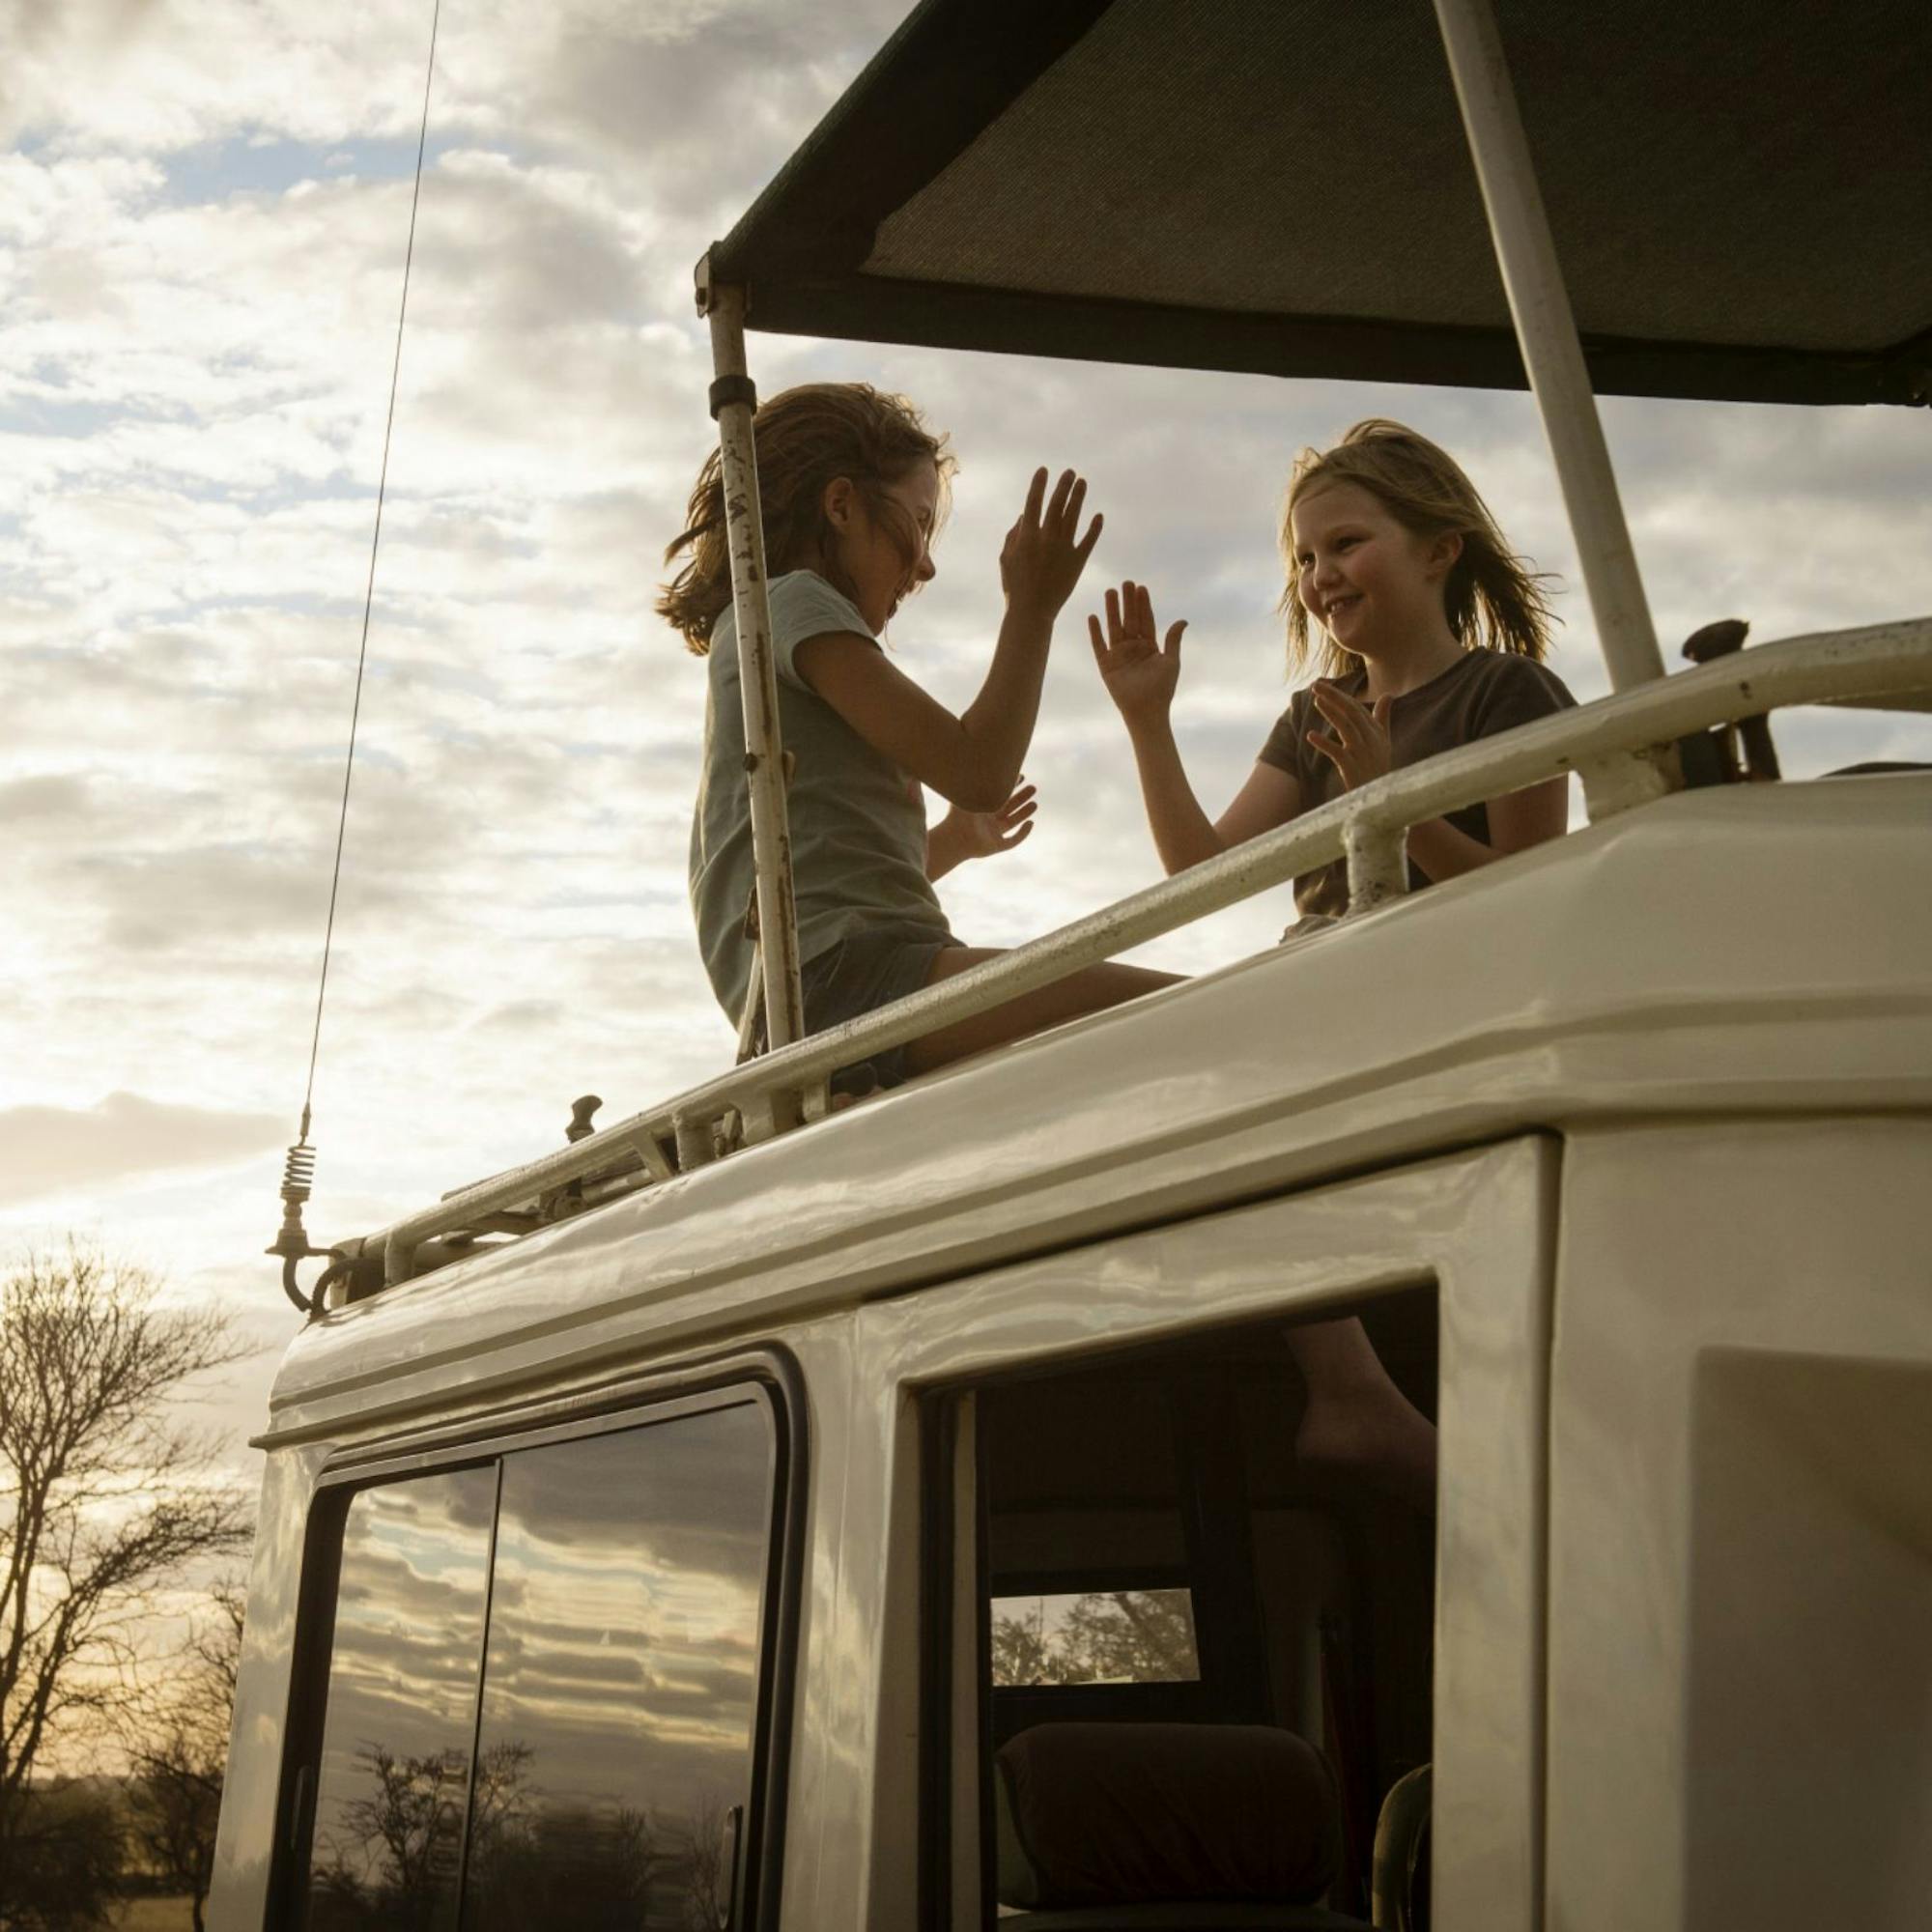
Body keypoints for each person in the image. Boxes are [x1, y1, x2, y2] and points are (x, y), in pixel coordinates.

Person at [1089, 417, 1578, 1510]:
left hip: (1427, 988)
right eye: (1304, 559)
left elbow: (1526, 898)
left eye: (1345, 544)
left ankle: (1352, 1390)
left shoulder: (1508, 695)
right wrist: (1145, 722)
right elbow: (1200, 873)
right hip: (1314, 979)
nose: (1318, 577)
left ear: (1437, 548)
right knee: (1147, 1067)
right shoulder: (1314, 714)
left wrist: (1384, 808)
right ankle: (1344, 1383)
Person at [662, 381, 1175, 1088]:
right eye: (919, 522)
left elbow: (831, 872)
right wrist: (1033, 604)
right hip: (842, 982)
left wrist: (956, 842)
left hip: (835, 982)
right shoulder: (790, 601)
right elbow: (979, 769)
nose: (926, 564)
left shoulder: (770, 628)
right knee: (1184, 1008)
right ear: (841, 505)